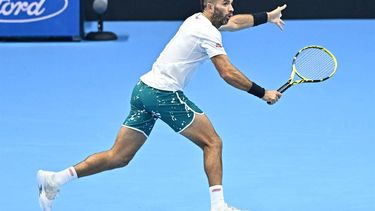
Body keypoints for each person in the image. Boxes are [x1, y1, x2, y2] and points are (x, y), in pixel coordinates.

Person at [37, 0, 286, 210]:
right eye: (225, 3)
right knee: (213, 142)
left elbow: (235, 22)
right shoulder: (208, 33)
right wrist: (262, 93)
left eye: (232, 2)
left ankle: (54, 180)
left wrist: (268, 16)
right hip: (163, 94)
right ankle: (219, 206)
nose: (231, 7)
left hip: (143, 90)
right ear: (210, 6)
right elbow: (227, 73)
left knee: (119, 157)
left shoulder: (198, 20)